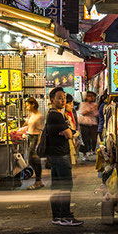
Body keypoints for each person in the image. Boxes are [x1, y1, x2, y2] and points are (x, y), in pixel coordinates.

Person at [44, 86, 83, 226]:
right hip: (61, 155)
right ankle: (66, 216)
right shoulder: (56, 115)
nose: (62, 100)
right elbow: (68, 134)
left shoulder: (51, 114)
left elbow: (66, 132)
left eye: (64, 98)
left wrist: (67, 131)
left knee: (56, 186)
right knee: (66, 186)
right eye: (59, 98)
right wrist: (69, 132)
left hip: (54, 155)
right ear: (52, 99)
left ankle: (57, 216)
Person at [24, 97, 45, 190]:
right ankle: (38, 180)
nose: (27, 108)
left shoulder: (39, 116)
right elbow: (26, 125)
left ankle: (38, 181)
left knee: (34, 160)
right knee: (31, 160)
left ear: (33, 105)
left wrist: (38, 144)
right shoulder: (31, 115)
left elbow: (41, 131)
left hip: (36, 138)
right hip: (30, 137)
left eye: (28, 105)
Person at [78, 91, 99, 158]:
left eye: (92, 96)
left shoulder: (95, 105)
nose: (91, 97)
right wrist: (90, 110)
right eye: (89, 96)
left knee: (93, 138)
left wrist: (91, 111)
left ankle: (92, 150)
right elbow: (83, 112)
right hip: (84, 123)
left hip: (93, 123)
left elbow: (96, 114)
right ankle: (86, 152)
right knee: (85, 138)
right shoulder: (83, 104)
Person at [65, 93, 80, 164]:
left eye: (72, 103)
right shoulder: (62, 116)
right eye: (69, 103)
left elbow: (75, 124)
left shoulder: (72, 112)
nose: (72, 105)